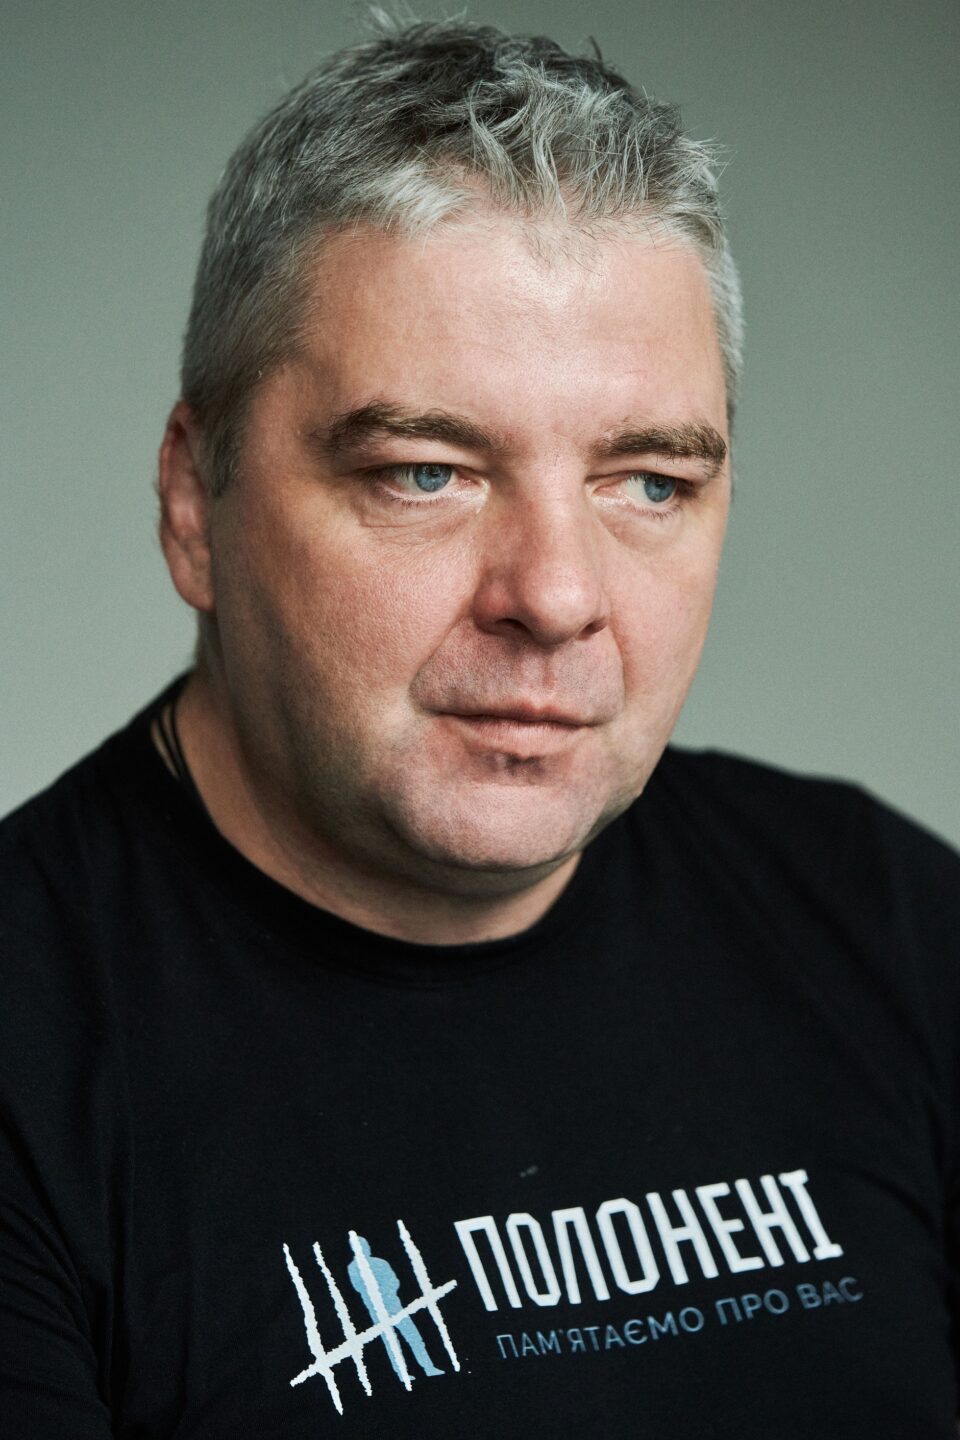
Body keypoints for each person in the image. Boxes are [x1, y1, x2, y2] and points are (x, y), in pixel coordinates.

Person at [1, 15, 958, 1437]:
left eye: (647, 483)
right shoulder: (31, 1065)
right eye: (427, 472)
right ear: (196, 504)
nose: (557, 597)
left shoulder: (891, 924)